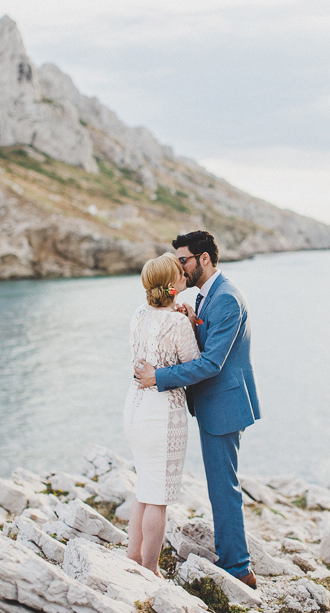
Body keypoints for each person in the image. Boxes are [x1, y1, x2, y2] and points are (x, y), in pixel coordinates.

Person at [134, 230, 261, 588]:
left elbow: (211, 364)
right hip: (213, 403)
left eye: (184, 260)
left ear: (204, 259)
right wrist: (192, 322)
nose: (180, 268)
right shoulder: (209, 297)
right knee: (220, 486)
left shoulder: (227, 299)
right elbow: (210, 345)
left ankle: (239, 569)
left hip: (224, 404)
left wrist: (157, 377)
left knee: (224, 488)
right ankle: (233, 561)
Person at [123, 252, 200, 575]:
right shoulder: (177, 323)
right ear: (173, 284)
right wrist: (192, 322)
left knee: (145, 486)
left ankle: (132, 556)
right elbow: (195, 364)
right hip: (162, 415)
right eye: (180, 272)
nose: (185, 274)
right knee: (159, 497)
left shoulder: (139, 314)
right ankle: (150, 568)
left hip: (134, 408)